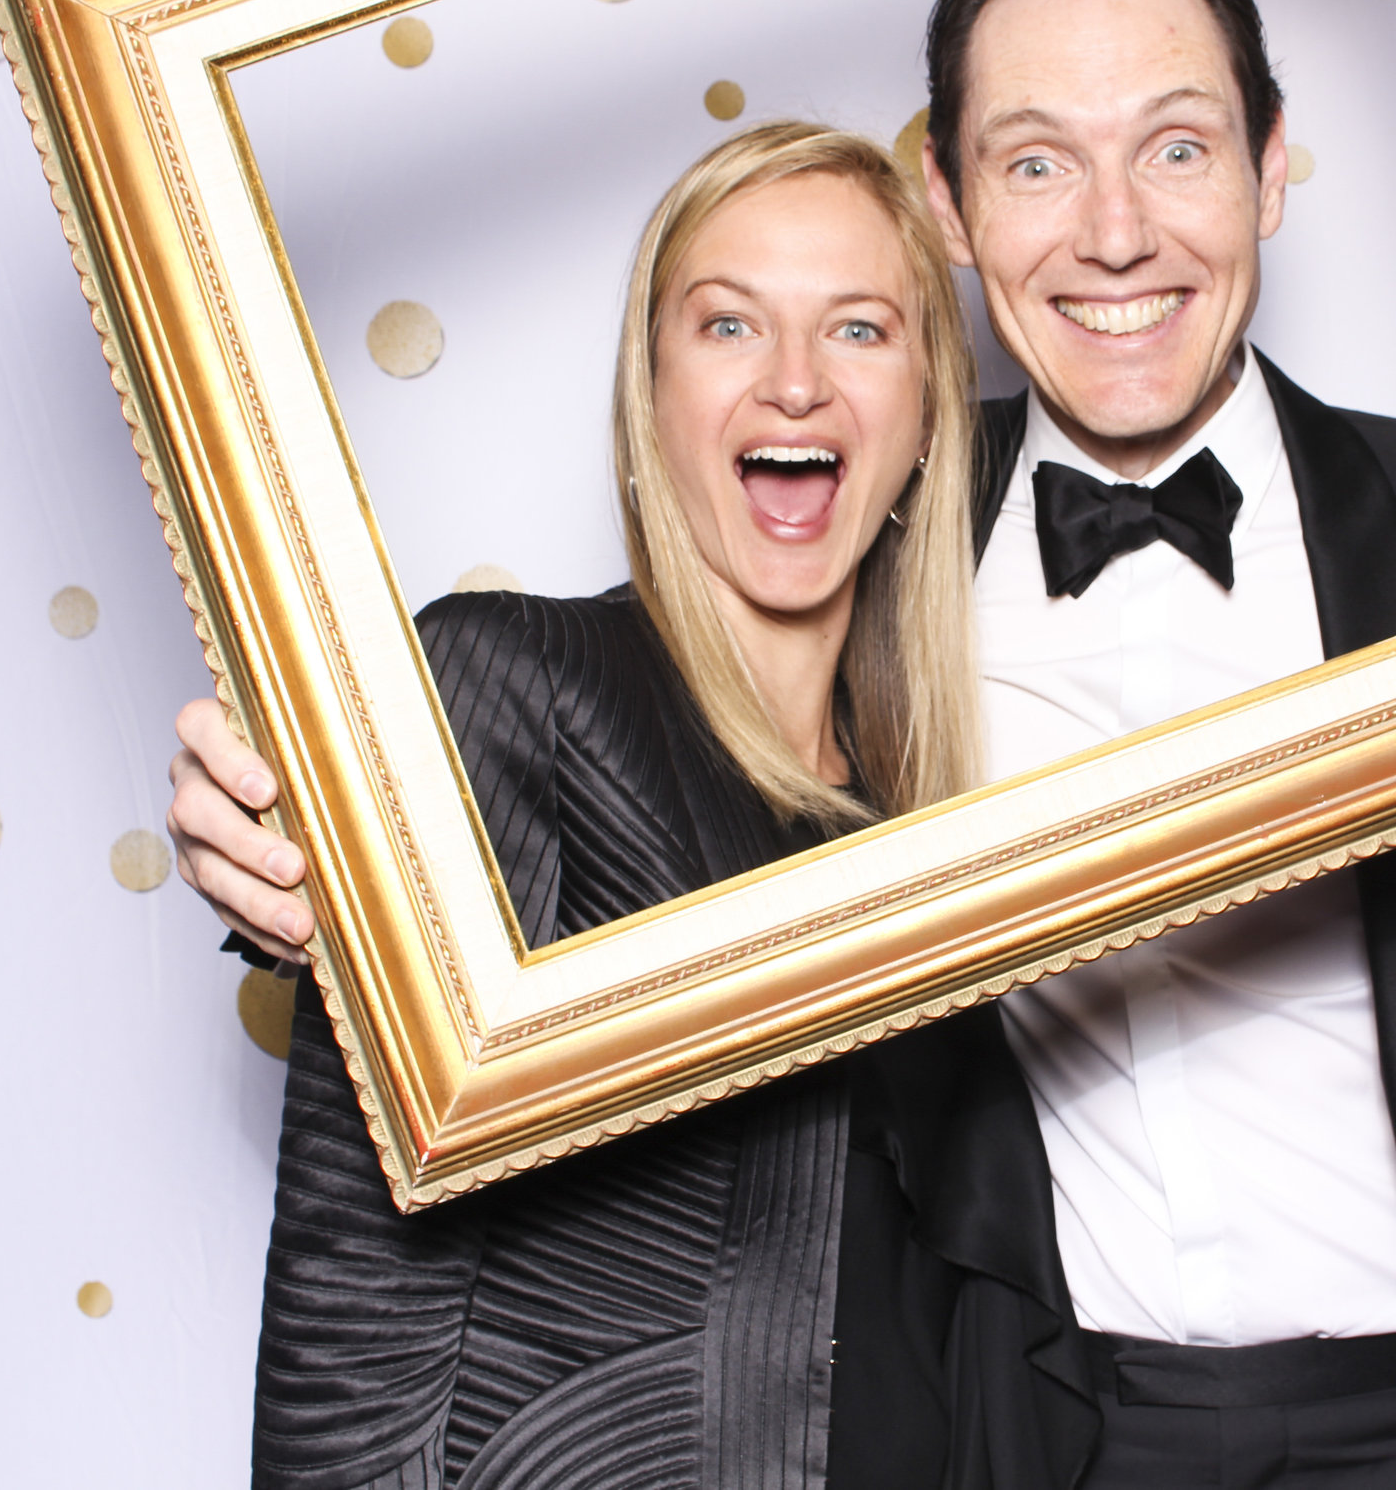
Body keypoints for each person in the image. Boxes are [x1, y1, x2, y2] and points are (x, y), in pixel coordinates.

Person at [178, 0, 1396, 1490]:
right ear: (951, 207)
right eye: (1035, 164)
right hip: (1019, 1431)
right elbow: (625, 794)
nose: (1113, 232)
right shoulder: (861, 534)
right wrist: (321, 854)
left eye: (1175, 147)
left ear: (1269, 167)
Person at [182, 120, 983, 1487]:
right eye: (728, 325)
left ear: (927, 412)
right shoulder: (517, 683)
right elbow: (355, 1288)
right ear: (651, 395)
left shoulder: (939, 817)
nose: (796, 382)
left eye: (859, 329)